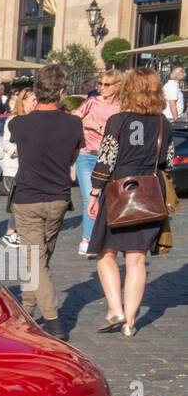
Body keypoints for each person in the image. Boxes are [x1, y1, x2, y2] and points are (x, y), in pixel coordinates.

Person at [89, 67, 175, 338]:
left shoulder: (118, 120)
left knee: (106, 252)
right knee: (137, 259)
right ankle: (130, 322)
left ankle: (115, 308)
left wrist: (94, 192)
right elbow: (167, 163)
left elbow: (107, 158)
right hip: (149, 193)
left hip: (119, 190)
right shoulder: (164, 123)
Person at [8, 63, 83, 341]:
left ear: (37, 91)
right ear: (62, 91)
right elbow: (73, 158)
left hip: (28, 198)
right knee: (39, 260)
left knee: (35, 261)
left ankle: (52, 321)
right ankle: (27, 309)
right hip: (58, 198)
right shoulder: (74, 124)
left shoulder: (19, 123)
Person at [74, 69, 123, 257]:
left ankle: (107, 238)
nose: (102, 88)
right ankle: (87, 238)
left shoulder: (122, 106)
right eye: (100, 84)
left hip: (110, 157)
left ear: (117, 86)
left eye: (107, 84)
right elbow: (74, 117)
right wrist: (93, 126)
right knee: (89, 196)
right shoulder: (92, 102)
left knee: (109, 197)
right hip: (87, 154)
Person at [0, 88, 36, 247]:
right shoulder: (13, 119)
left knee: (25, 200)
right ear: (24, 100)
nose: (35, 103)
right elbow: (6, 144)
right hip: (15, 167)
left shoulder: (35, 119)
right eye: (33, 99)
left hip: (31, 167)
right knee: (18, 200)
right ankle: (10, 232)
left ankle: (18, 231)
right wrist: (17, 150)